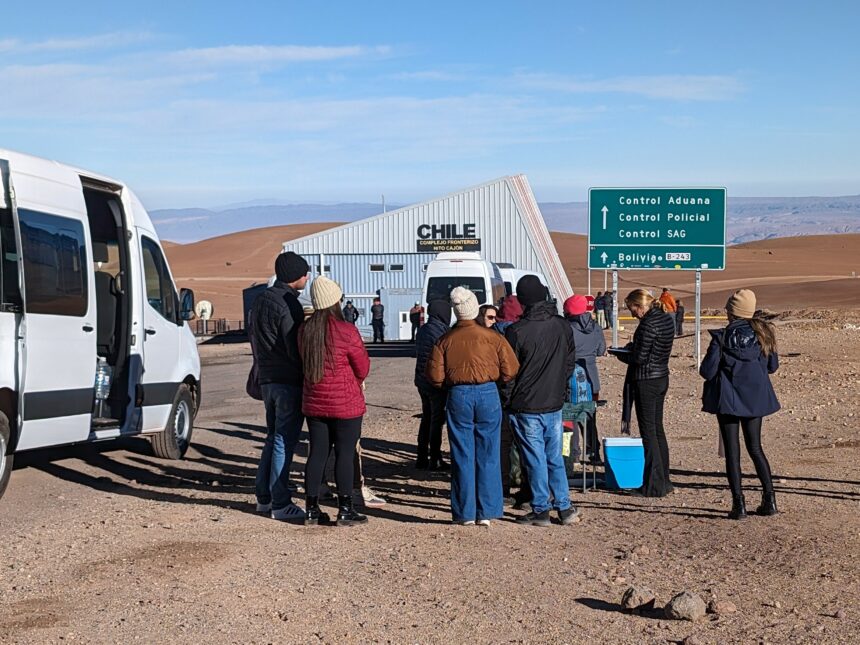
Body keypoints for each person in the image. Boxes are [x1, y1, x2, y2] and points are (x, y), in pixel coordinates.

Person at [426, 287, 519, 526]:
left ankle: (465, 512)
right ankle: (487, 511)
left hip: (458, 395)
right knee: (489, 452)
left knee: (462, 453)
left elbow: (435, 377)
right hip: (488, 393)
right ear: (475, 307)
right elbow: (511, 369)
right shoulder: (493, 337)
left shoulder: (444, 340)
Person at [699, 289, 780, 520]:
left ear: (732, 312)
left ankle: (739, 505)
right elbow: (772, 367)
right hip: (755, 399)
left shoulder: (721, 337)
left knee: (733, 453)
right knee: (755, 448)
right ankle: (769, 499)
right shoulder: (764, 334)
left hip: (728, 400)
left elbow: (707, 371)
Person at [505, 276, 579, 527]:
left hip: (526, 404)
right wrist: (558, 385)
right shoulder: (561, 326)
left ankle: (540, 508)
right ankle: (565, 506)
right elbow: (570, 361)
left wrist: (508, 399)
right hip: (553, 402)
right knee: (553, 456)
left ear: (522, 300)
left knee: (534, 458)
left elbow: (509, 372)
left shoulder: (517, 331)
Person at [299, 276, 371, 526]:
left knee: (317, 453)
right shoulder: (346, 330)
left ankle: (310, 508)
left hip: (314, 403)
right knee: (344, 454)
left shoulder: (304, 330)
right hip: (345, 405)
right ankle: (345, 508)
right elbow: (362, 366)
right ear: (335, 301)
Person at [251, 251, 310, 522]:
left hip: (266, 379)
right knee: (284, 441)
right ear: (295, 276)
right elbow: (294, 346)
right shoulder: (289, 304)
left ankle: (264, 497)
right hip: (287, 380)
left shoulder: (261, 300)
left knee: (272, 438)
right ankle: (280, 502)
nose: (307, 278)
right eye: (304, 273)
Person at [612, 288, 676, 497]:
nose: (632, 314)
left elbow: (639, 358)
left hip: (646, 380)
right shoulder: (666, 319)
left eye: (632, 309)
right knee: (658, 431)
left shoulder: (647, 324)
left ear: (640, 306)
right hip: (661, 377)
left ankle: (653, 485)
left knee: (649, 434)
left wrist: (620, 354)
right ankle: (663, 481)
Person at [493, 294, 530, 507]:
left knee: (502, 447)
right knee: (526, 445)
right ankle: (526, 490)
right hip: (522, 398)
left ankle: (502, 489)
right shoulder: (521, 333)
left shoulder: (493, 336)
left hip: (499, 398)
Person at [563, 294, 606, 463]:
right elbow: (601, 350)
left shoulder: (566, 328)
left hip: (569, 378)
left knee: (568, 418)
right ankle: (594, 453)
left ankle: (570, 455)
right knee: (588, 417)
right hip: (590, 378)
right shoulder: (596, 327)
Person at [414, 299, 452, 470]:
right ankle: (434, 458)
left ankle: (422, 456)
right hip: (435, 382)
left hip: (421, 380)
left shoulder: (423, 330)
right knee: (436, 420)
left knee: (427, 418)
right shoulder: (441, 332)